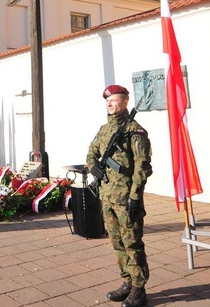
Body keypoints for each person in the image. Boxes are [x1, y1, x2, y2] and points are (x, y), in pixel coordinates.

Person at [86, 85, 152, 307]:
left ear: (125, 102)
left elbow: (142, 168)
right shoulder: (105, 130)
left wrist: (135, 197)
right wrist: (94, 167)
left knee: (132, 243)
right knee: (117, 243)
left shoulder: (136, 131)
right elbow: (91, 153)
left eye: (114, 100)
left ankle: (138, 289)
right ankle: (127, 281)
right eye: (108, 101)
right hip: (107, 197)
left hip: (126, 200)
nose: (110, 104)